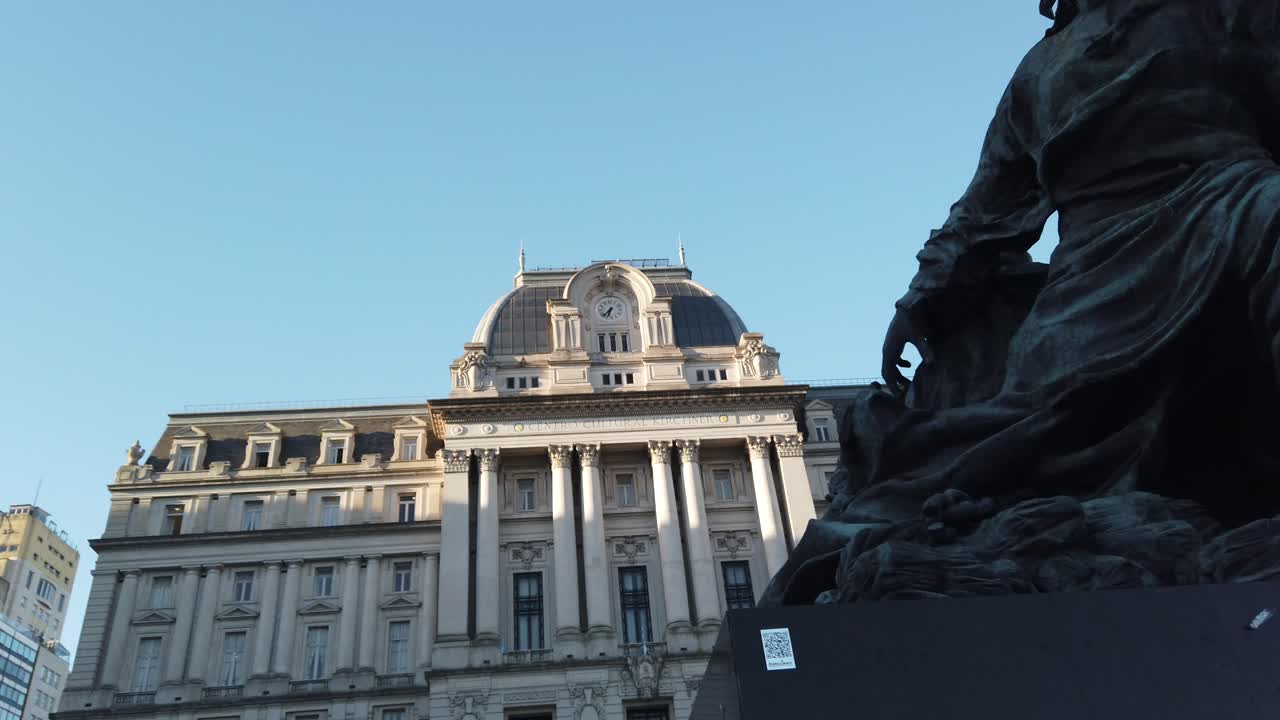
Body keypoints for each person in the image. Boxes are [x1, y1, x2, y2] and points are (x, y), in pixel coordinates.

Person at [848, 0, 1280, 528]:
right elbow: (987, 203)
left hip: (1234, 194)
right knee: (1043, 429)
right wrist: (922, 299)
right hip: (1100, 265)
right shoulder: (1039, 70)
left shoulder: (1228, 11)